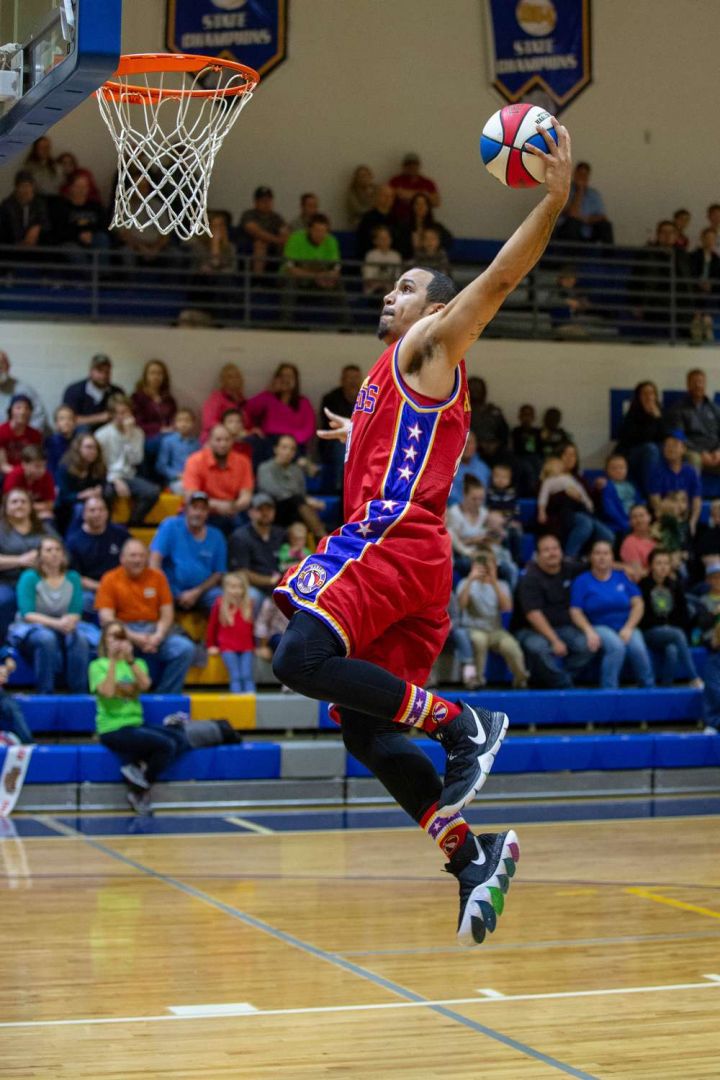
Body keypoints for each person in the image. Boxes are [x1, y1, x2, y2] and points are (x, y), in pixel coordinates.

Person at [271, 120, 573, 947]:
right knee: (366, 728)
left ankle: (462, 722)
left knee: (297, 659)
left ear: (437, 308)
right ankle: (472, 855)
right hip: (415, 559)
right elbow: (411, 443)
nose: (390, 293)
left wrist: (553, 201)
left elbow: (501, 279)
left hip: (395, 542)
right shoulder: (389, 375)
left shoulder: (431, 343)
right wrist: (357, 435)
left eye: (406, 286)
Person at [90, 620, 189, 813]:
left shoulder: (138, 664)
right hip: (113, 728)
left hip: (135, 724)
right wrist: (112, 661)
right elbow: (107, 692)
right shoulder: (97, 666)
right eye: (113, 636)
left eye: (122, 636)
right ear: (104, 641)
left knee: (181, 738)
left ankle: (136, 769)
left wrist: (129, 660)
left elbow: (145, 685)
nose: (118, 641)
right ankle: (140, 789)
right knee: (166, 745)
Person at [95, 538, 195, 694]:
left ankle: (166, 696)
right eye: (133, 556)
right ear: (122, 558)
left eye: (141, 556)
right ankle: (120, 695)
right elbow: (106, 618)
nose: (138, 560)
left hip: (153, 630)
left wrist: (158, 636)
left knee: (185, 648)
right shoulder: (110, 578)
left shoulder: (158, 577)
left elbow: (167, 613)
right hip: (123, 632)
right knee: (105, 643)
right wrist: (134, 637)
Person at [9, 536, 94, 693]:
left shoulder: (73, 577)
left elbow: (76, 611)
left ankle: (79, 693)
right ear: (40, 555)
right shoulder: (29, 577)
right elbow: (27, 614)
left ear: (63, 554)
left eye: (57, 549)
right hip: (32, 627)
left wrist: (68, 622)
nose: (54, 553)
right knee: (46, 638)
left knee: (80, 639)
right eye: (48, 550)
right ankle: (45, 692)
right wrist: (57, 624)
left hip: (64, 626)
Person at [570, 540, 655, 689]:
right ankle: (609, 691)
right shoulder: (582, 581)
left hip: (625, 624)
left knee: (638, 649)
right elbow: (575, 611)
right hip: (598, 625)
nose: (602, 557)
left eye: (606, 553)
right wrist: (588, 631)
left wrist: (629, 627)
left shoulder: (622, 577)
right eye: (597, 553)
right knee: (616, 647)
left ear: (612, 557)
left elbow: (638, 604)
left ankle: (649, 689)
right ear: (591, 557)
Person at [512, 533, 591, 689]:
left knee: (586, 645)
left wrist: (625, 568)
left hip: (563, 627)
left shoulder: (569, 568)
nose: (552, 553)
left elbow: (597, 565)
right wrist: (555, 640)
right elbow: (533, 615)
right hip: (530, 629)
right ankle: (564, 686)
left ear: (561, 552)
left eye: (555, 549)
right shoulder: (530, 578)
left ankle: (560, 680)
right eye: (546, 550)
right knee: (538, 647)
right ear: (537, 555)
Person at [456, 553, 528, 689]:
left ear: (495, 567)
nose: (485, 569)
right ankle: (477, 681)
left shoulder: (502, 584)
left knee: (511, 647)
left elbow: (507, 608)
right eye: (480, 565)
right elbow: (461, 605)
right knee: (479, 641)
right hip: (473, 628)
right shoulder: (465, 583)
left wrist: (494, 582)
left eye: (489, 566)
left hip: (496, 630)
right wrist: (471, 579)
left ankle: (521, 680)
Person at [149, 492, 226, 613]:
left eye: (203, 509)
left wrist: (196, 592)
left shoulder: (217, 536)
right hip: (170, 589)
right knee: (150, 592)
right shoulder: (170, 526)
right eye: (194, 508)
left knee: (223, 600)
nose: (198, 513)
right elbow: (154, 561)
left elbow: (218, 573)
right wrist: (164, 589)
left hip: (202, 592)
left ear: (208, 513)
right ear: (186, 509)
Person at [640, 548, 703, 688]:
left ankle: (665, 687)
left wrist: (670, 625)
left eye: (666, 563)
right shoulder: (643, 586)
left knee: (672, 650)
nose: (663, 567)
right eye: (658, 563)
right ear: (651, 566)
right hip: (649, 631)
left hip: (671, 632)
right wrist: (663, 625)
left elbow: (683, 614)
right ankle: (694, 677)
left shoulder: (674, 585)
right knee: (677, 634)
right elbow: (642, 617)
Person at [95, 395, 160, 526]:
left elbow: (137, 460)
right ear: (112, 414)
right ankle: (106, 526)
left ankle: (132, 524)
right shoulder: (101, 434)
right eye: (118, 413)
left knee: (152, 491)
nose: (122, 416)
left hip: (129, 475)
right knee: (107, 493)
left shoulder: (137, 433)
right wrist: (115, 480)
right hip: (108, 476)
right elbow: (100, 465)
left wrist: (128, 436)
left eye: (125, 412)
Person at [0, 490, 56, 639]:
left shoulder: (44, 528)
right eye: (14, 502)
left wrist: (44, 557)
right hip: (8, 582)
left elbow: (63, 553)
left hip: (43, 581)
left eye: (23, 501)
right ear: (5, 506)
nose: (19, 505)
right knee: (3, 601)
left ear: (31, 506)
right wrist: (19, 560)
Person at [181, 423, 254, 535]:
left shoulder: (243, 462)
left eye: (227, 440)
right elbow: (191, 496)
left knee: (246, 528)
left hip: (232, 511)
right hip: (201, 509)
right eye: (218, 440)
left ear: (232, 441)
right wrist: (218, 505)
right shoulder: (194, 460)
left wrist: (233, 507)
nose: (223, 444)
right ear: (209, 441)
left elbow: (246, 496)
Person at [537, 454, 613, 556]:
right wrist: (541, 511)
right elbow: (543, 497)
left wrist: (588, 503)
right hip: (566, 513)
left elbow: (581, 492)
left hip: (583, 509)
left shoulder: (570, 478)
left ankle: (594, 556)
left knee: (607, 536)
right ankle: (569, 556)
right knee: (585, 524)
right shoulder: (548, 481)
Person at [66, 495, 129, 617]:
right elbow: (76, 577)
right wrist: (104, 588)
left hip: (120, 585)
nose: (97, 514)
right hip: (91, 590)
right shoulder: (73, 542)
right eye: (92, 510)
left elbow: (134, 558)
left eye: (101, 510)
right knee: (84, 602)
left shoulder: (121, 534)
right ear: (84, 514)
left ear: (107, 513)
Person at [256, 435, 327, 538]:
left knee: (302, 507)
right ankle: (322, 535)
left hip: (294, 510)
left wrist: (307, 501)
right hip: (274, 508)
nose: (288, 452)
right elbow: (272, 490)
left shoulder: (296, 470)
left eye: (292, 449)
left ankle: (320, 536)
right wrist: (305, 500)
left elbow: (302, 492)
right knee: (298, 500)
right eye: (284, 447)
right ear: (276, 449)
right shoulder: (265, 468)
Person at [280, 214, 347, 323]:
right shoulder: (295, 238)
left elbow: (336, 269)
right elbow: (291, 269)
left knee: (338, 282)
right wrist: (316, 275)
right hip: (295, 279)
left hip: (320, 280)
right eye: (317, 230)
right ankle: (285, 323)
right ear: (309, 229)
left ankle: (346, 324)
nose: (320, 234)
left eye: (323, 231)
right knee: (291, 281)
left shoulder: (331, 241)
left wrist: (328, 276)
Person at [228, 493, 285, 610]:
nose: (265, 513)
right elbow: (241, 572)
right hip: (254, 587)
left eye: (269, 509)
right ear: (250, 512)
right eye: (260, 509)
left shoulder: (281, 533)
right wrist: (270, 581)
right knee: (253, 596)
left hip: (280, 585)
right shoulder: (240, 537)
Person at [245, 363, 317, 454]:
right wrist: (269, 390)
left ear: (296, 381)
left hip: (293, 442)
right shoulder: (268, 397)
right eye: (282, 376)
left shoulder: (303, 402)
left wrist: (293, 439)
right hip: (270, 440)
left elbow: (309, 427)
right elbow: (249, 408)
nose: (285, 379)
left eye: (289, 376)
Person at [206, 571, 256, 692]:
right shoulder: (219, 604)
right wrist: (211, 645)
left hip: (247, 647)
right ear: (225, 588)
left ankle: (251, 701)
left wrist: (257, 646)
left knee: (247, 675)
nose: (237, 591)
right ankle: (237, 701)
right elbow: (212, 627)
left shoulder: (249, 604)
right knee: (236, 676)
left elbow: (254, 628)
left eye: (240, 587)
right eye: (233, 587)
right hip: (227, 647)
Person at [55, 432, 112, 534]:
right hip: (69, 506)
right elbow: (63, 496)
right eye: (88, 447)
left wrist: (99, 490)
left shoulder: (98, 467)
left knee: (105, 501)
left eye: (95, 448)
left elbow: (103, 485)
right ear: (78, 449)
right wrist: (81, 495)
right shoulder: (65, 468)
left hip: (93, 501)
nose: (93, 451)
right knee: (80, 508)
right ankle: (73, 538)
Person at [317, 365, 363, 493]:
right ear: (342, 380)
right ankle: (341, 487)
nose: (353, 381)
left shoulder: (367, 398)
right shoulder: (330, 399)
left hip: (361, 440)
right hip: (334, 441)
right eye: (349, 378)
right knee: (342, 446)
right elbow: (331, 425)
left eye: (356, 378)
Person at [615, 380, 665, 496]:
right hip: (632, 455)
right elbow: (642, 438)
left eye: (651, 393)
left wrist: (658, 418)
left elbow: (665, 437)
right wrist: (651, 418)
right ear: (638, 397)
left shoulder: (661, 414)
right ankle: (652, 494)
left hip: (653, 454)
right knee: (651, 448)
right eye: (645, 394)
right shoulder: (632, 415)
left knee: (668, 449)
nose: (649, 397)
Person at [648, 431, 702, 537]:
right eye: (667, 446)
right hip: (665, 519)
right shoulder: (657, 471)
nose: (670, 449)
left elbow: (696, 499)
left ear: (683, 449)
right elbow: (655, 501)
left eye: (675, 445)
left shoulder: (690, 471)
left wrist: (693, 521)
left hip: (685, 517)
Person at [667, 368, 720, 474]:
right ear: (688, 385)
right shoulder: (678, 409)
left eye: (701, 382)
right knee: (694, 458)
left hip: (715, 453)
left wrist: (719, 451)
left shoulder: (714, 408)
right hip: (692, 451)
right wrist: (701, 452)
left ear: (705, 384)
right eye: (694, 382)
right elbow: (679, 436)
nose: (698, 385)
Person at [130, 359, 177, 474]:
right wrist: (160, 429)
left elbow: (175, 417)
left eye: (159, 373)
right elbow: (137, 424)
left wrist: (175, 426)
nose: (156, 377)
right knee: (166, 441)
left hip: (169, 434)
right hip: (146, 436)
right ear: (145, 376)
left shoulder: (168, 398)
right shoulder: (137, 397)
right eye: (152, 373)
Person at [555, 161, 613, 244]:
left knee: (605, 226)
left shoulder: (594, 194)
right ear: (575, 175)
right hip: (567, 231)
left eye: (585, 175)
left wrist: (586, 219)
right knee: (573, 223)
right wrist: (580, 190)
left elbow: (602, 217)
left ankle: (609, 252)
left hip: (588, 230)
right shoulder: (564, 191)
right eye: (580, 174)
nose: (582, 177)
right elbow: (572, 213)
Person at [62, 354, 125, 431]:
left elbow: (125, 414)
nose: (103, 376)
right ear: (90, 371)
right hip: (82, 434)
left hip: (110, 432)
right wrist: (99, 418)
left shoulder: (117, 392)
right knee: (82, 428)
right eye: (99, 371)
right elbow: (68, 420)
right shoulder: (74, 390)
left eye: (107, 372)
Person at [52, 171, 108, 254]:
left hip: (93, 238)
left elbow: (104, 225)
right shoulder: (61, 207)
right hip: (70, 241)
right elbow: (59, 229)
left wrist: (90, 233)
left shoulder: (96, 206)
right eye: (78, 187)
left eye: (84, 187)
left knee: (102, 238)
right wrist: (78, 235)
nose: (81, 190)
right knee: (72, 250)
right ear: (70, 188)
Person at [237, 186, 289, 275]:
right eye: (263, 201)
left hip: (273, 247)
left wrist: (283, 239)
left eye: (269, 200)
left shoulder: (276, 217)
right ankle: (258, 278)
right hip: (249, 247)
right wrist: (277, 240)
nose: (266, 203)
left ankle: (283, 276)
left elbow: (284, 231)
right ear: (256, 202)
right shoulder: (249, 214)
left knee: (288, 244)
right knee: (260, 243)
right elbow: (255, 231)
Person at [0, 170, 51, 252]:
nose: (26, 190)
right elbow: (8, 230)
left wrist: (37, 227)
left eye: (29, 186)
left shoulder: (39, 203)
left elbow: (46, 224)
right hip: (12, 248)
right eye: (22, 186)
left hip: (36, 248)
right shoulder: (7, 205)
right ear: (17, 188)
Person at [0, 350, 48, 434]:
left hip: (18, 439)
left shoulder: (23, 389)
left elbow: (39, 417)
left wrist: (26, 438)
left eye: (1, 363)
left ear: (8, 366)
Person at [388, 152, 440, 227]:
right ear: (403, 166)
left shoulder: (428, 183)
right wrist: (423, 194)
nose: (412, 167)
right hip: (399, 220)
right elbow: (387, 198)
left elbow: (436, 203)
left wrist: (406, 193)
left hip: (422, 220)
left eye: (414, 164)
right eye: (408, 164)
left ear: (419, 165)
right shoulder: (395, 181)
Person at [4, 445, 55, 521]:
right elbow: (8, 505)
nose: (42, 470)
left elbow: (50, 505)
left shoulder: (47, 477)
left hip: (35, 513)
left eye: (44, 466)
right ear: (24, 465)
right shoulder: (14, 476)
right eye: (37, 466)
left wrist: (29, 508)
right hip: (16, 513)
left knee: (48, 517)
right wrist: (35, 509)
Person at [200, 363, 247, 443]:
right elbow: (208, 422)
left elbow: (246, 423)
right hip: (215, 438)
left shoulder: (242, 400)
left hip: (238, 437)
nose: (235, 379)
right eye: (230, 377)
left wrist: (253, 430)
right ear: (223, 380)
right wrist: (229, 431)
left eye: (237, 376)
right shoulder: (216, 397)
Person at [156, 408, 200, 493]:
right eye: (180, 420)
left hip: (193, 478)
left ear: (193, 424)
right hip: (176, 480)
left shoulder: (196, 444)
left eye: (187, 421)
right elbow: (161, 466)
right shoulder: (168, 441)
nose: (183, 424)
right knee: (188, 488)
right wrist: (177, 475)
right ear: (175, 423)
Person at [688, 227, 720, 343]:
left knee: (711, 297)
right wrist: (699, 282)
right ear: (702, 239)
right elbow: (690, 273)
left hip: (710, 291)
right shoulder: (693, 256)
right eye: (708, 238)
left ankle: (706, 321)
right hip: (695, 289)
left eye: (713, 239)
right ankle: (699, 324)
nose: (710, 241)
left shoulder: (717, 259)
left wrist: (711, 285)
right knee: (697, 297)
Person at [599, 453, 641, 535]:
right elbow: (610, 510)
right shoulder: (607, 486)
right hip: (619, 523)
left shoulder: (631, 484)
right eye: (614, 468)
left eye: (622, 468)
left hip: (635, 519)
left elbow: (639, 501)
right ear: (607, 471)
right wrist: (626, 523)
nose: (618, 471)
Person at [0, 395, 42, 473]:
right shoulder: (1, 432)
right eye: (18, 408)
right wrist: (19, 474)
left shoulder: (35, 435)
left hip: (29, 474)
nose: (22, 412)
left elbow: (35, 462)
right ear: (11, 410)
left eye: (26, 408)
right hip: (6, 474)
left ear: (30, 412)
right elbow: (2, 465)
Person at [355, 184, 399, 259]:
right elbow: (362, 242)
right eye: (384, 195)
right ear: (377, 197)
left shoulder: (397, 220)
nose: (388, 199)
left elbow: (400, 242)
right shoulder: (367, 219)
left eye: (391, 196)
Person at [448, 430, 490, 506]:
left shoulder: (484, 469)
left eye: (470, 443)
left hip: (479, 510)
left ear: (476, 445)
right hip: (452, 510)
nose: (466, 446)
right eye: (463, 442)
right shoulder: (447, 467)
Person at [362, 225, 403, 296]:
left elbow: (398, 277)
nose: (385, 240)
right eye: (381, 238)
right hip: (374, 291)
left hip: (392, 291)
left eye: (387, 238)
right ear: (375, 241)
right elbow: (368, 278)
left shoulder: (396, 256)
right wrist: (380, 285)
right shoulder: (370, 255)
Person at [619, 504, 656, 581]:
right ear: (630, 522)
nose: (639, 520)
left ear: (649, 517)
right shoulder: (630, 543)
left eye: (642, 516)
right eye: (634, 517)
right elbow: (638, 574)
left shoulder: (658, 535)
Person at [46, 404, 77, 478]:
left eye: (70, 418)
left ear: (75, 423)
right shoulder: (51, 442)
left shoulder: (78, 441)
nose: (66, 422)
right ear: (56, 423)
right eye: (62, 419)